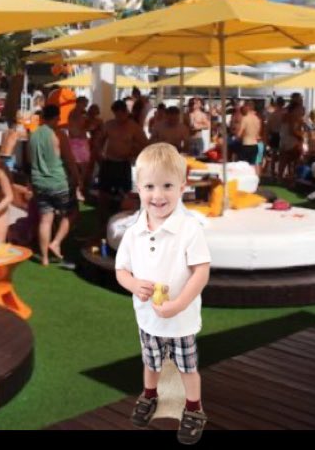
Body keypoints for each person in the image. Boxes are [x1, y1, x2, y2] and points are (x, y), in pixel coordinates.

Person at [114, 143, 211, 443]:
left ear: (182, 186)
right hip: (148, 318)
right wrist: (133, 285)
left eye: (167, 186)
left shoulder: (189, 229)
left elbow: (201, 272)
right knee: (151, 361)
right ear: (138, 188)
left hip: (181, 320)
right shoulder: (134, 232)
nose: (158, 195)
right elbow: (121, 271)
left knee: (187, 367)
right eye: (150, 187)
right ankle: (149, 394)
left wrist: (179, 304)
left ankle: (193, 408)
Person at [29, 104, 79, 266]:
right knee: (72, 212)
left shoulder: (33, 135)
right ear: (57, 118)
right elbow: (69, 159)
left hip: (39, 182)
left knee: (45, 219)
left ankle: (44, 259)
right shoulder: (58, 135)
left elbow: (29, 160)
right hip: (58, 182)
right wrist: (77, 178)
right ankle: (56, 242)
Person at [96, 100, 148, 227]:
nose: (119, 117)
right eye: (116, 114)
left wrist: (134, 154)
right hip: (108, 162)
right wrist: (99, 154)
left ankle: (122, 223)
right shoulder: (109, 125)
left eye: (121, 114)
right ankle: (102, 224)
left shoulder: (133, 127)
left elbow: (145, 144)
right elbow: (99, 141)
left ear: (126, 112)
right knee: (103, 195)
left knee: (124, 196)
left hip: (123, 164)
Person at [68, 97, 92, 182]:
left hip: (81, 141)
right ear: (79, 103)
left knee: (84, 165)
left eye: (86, 104)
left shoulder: (82, 113)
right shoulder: (74, 114)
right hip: (77, 142)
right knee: (80, 165)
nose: (85, 106)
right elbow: (74, 130)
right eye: (84, 104)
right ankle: (79, 183)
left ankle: (79, 183)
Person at [236, 101, 262, 173]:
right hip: (255, 144)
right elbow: (258, 133)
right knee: (252, 165)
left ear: (247, 107)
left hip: (246, 144)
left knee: (243, 166)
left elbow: (239, 133)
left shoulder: (245, 118)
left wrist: (237, 137)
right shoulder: (257, 119)